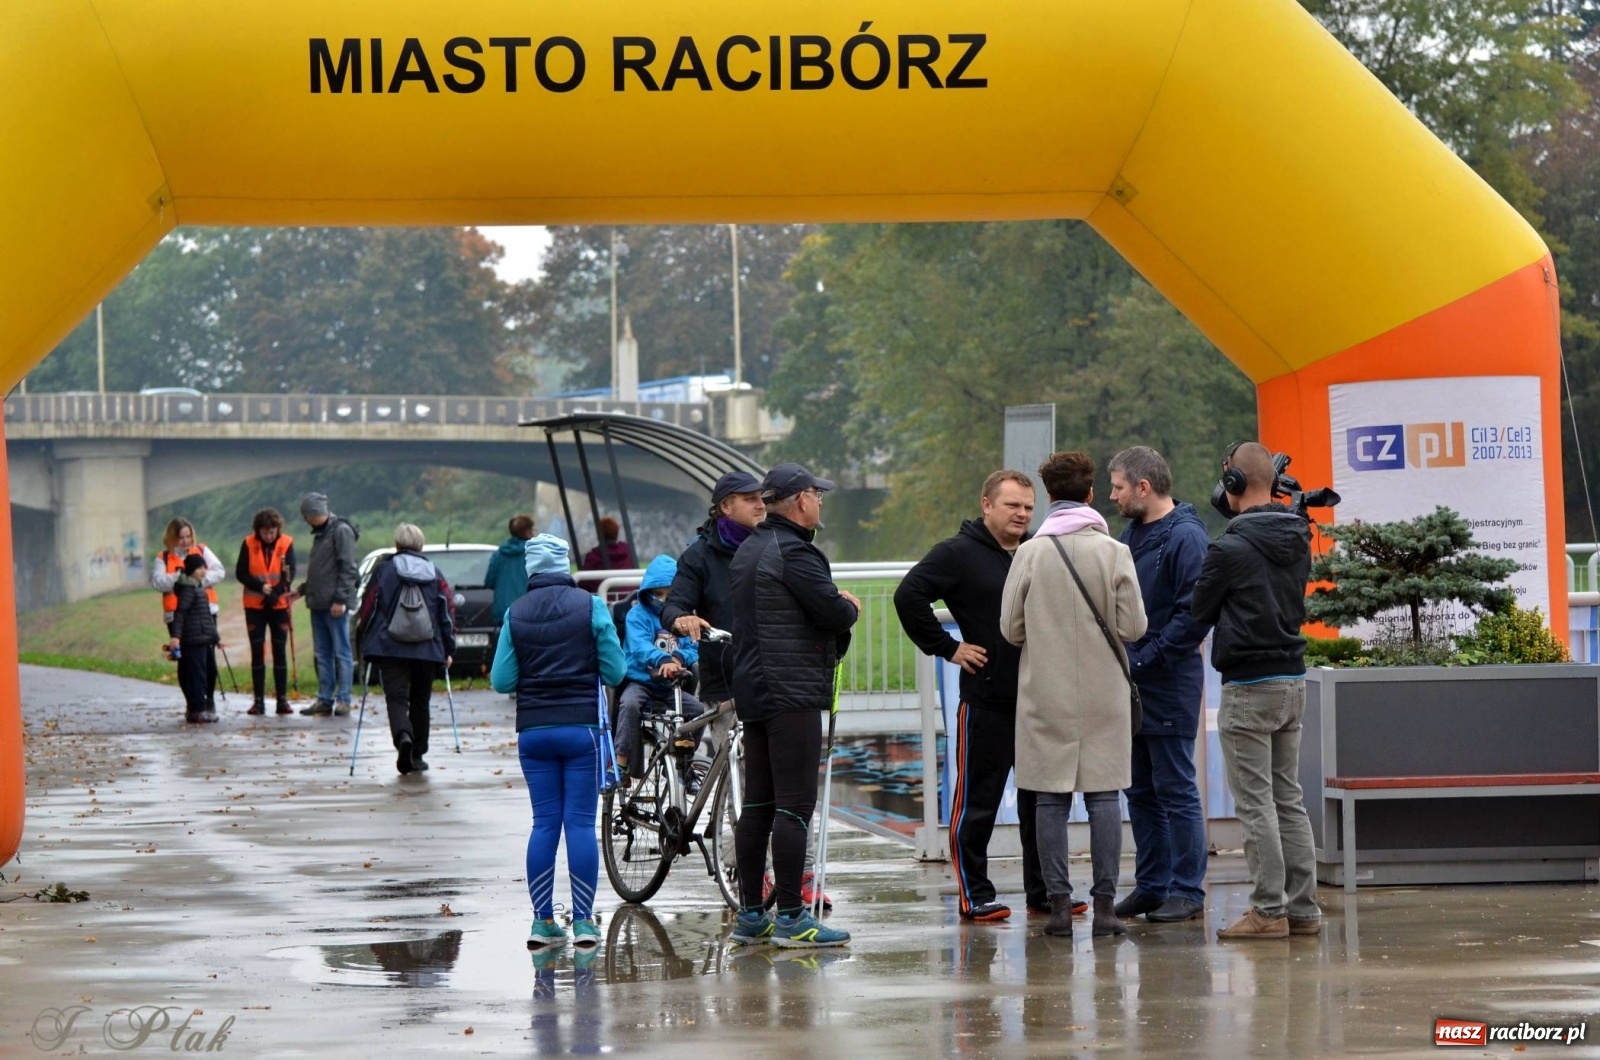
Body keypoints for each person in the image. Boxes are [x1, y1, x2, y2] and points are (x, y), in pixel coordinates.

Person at [894, 469, 1072, 923]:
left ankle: (1046, 893)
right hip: (987, 701)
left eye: (1029, 507)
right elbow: (908, 596)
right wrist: (948, 648)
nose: (1022, 514)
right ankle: (975, 894)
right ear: (987, 504)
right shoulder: (957, 553)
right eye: (1012, 505)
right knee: (978, 804)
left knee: (1041, 805)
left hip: (1039, 700)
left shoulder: (1038, 551)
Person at [1001, 451, 1146, 939]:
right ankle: (1105, 909)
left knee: (1049, 801)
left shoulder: (1030, 553)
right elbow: (1134, 626)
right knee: (1105, 797)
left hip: (1046, 690)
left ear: (1048, 497)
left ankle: (1060, 909)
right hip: (1105, 692)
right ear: (1089, 495)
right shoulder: (1114, 552)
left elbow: (1010, 629)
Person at [727, 462, 860, 949]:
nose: (821, 502)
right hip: (792, 691)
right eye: (817, 495)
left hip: (755, 692)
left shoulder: (748, 549)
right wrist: (851, 607)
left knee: (759, 805)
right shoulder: (796, 554)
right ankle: (790, 916)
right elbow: (830, 611)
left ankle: (750, 915)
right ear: (802, 499)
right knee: (796, 806)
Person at [1190, 441, 1319, 940]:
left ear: (1234, 484)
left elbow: (1199, 611)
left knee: (1257, 804)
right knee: (1288, 797)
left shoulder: (1228, 548)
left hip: (1248, 687)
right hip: (1292, 680)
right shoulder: (1298, 536)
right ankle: (1303, 910)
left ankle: (1268, 911)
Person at [491, 533, 626, 950]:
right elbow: (616, 671)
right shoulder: (591, 607)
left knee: (545, 824)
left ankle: (542, 922)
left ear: (531, 569)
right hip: (581, 728)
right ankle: (584, 923)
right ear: (564, 565)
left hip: (533, 732)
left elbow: (501, 681)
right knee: (581, 824)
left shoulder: (516, 612)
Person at [1106, 447, 1215, 924]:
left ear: (1143, 488)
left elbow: (1195, 614)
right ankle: (1152, 886)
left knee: (1175, 788)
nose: (1112, 496)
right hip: (1135, 681)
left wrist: (1145, 657)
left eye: (1118, 487)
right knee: (1141, 790)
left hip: (1166, 680)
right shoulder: (1134, 532)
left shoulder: (1187, 538)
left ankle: (1188, 890)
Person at [356, 524, 456, 775]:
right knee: (421, 701)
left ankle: (403, 737)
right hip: (427, 647)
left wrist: (366, 639)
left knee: (396, 698)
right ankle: (418, 755)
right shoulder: (434, 573)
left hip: (391, 647)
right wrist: (448, 647)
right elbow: (447, 611)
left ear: (397, 545)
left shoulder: (385, 571)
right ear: (421, 546)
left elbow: (369, 607)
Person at [614, 554, 707, 782]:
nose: (663, 599)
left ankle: (684, 761)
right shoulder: (637, 615)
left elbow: (694, 646)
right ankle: (621, 761)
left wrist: (677, 656)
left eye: (669, 593)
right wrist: (661, 659)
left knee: (697, 712)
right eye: (658, 593)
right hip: (642, 680)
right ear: (648, 591)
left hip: (670, 685)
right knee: (629, 705)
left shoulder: (682, 618)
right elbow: (639, 647)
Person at [293, 492, 360, 717]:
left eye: (306, 515)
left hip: (335, 605)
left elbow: (348, 567)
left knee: (341, 653)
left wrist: (340, 599)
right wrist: (302, 590)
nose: (304, 521)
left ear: (314, 513)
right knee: (322, 654)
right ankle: (324, 698)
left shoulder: (340, 531)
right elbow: (322, 570)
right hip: (318, 603)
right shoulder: (321, 534)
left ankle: (344, 699)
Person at [152, 517, 224, 712]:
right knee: (185, 661)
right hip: (177, 615)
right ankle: (192, 702)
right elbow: (158, 582)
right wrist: (181, 578)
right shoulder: (163, 558)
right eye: (181, 538)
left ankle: (208, 699)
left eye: (188, 536)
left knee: (207, 659)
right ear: (172, 538)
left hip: (205, 612)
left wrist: (197, 581)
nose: (185, 541)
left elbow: (219, 571)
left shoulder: (201, 550)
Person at [234, 508, 298, 716]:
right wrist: (261, 587)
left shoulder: (286, 543)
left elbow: (290, 572)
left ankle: (282, 700)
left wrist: (277, 592)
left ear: (278, 529)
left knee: (279, 651)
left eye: (272, 532)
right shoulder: (248, 543)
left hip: (278, 605)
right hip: (255, 606)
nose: (269, 536)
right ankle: (258, 701)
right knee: (257, 652)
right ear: (258, 531)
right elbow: (241, 572)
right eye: (265, 532)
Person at [170, 553, 221, 724]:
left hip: (203, 638)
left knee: (204, 672)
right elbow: (180, 614)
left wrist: (216, 637)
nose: (203, 571)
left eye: (204, 567)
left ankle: (195, 709)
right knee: (197, 675)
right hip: (193, 640)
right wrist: (176, 637)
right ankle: (198, 710)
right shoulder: (188, 589)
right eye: (199, 568)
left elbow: (206, 617)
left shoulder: (198, 588)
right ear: (191, 570)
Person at [487, 513, 537, 627]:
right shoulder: (533, 554)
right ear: (528, 532)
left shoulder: (499, 554)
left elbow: (489, 581)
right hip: (528, 611)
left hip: (503, 613)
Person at [580, 516, 635, 586]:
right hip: (629, 596)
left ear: (598, 534)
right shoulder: (628, 553)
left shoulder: (594, 557)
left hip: (602, 595)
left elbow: (582, 583)